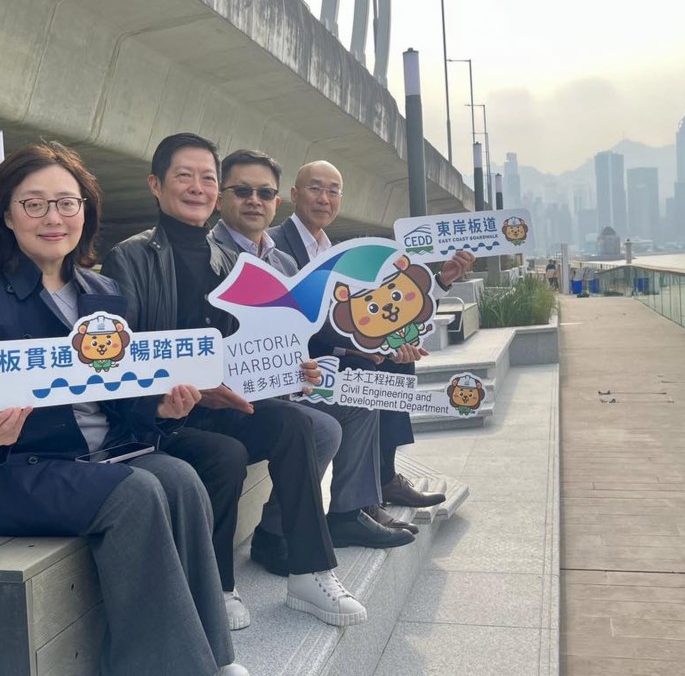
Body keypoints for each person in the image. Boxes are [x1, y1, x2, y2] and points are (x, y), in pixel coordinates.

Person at [0, 143, 247, 676]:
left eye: (67, 204)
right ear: (6, 215)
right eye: (34, 205)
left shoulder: (105, 294)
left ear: (85, 213)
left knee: (181, 479)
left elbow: (121, 399)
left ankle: (215, 658)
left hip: (104, 459)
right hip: (12, 474)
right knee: (140, 492)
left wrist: (161, 408)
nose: (54, 218)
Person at [101, 133, 367, 628]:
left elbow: (244, 349)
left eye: (206, 177)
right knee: (226, 455)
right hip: (157, 418)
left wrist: (292, 369)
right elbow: (119, 360)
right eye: (185, 176)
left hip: (219, 405)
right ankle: (218, 585)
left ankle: (311, 571)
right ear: (156, 185)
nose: (197, 187)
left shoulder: (229, 262)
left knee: (295, 423)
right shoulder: (129, 259)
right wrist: (180, 391)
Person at [211, 149, 415, 570]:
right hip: (229, 394)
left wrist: (362, 345)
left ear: (275, 200)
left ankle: (349, 510)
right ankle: (275, 531)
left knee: (361, 394)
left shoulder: (286, 258)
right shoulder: (207, 253)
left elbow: (308, 325)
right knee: (321, 419)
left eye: (263, 193)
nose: (255, 200)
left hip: (291, 378)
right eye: (243, 191)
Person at [269, 161, 476, 512]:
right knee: (371, 373)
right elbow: (292, 327)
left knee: (397, 364)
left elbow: (374, 312)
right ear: (293, 195)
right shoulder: (275, 246)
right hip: (300, 366)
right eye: (315, 188)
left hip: (338, 354)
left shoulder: (336, 252)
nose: (324, 198)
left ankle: (384, 477)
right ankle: (364, 497)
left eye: (333, 191)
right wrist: (355, 349)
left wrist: (440, 283)